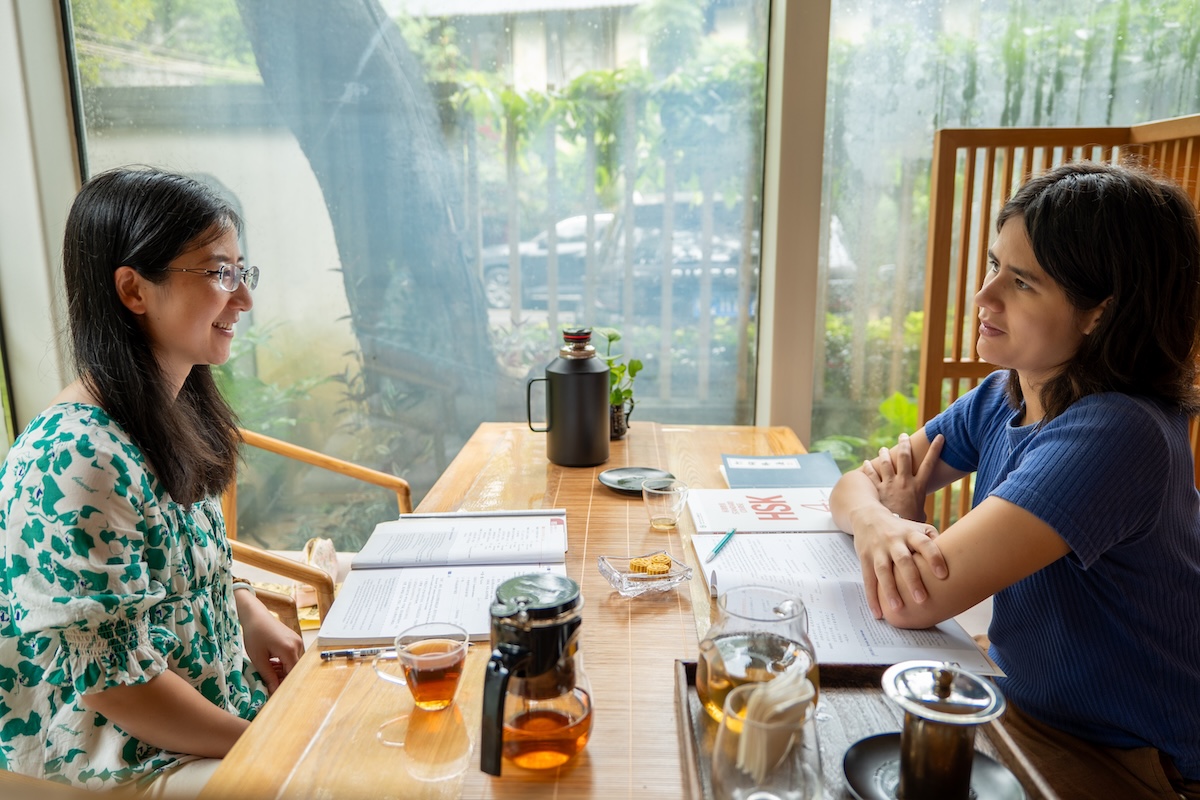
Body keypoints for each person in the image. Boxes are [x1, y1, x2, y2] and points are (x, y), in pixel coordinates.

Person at [830, 160, 1200, 800]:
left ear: (1100, 313)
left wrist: (905, 523)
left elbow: (913, 599)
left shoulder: (1116, 432)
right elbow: (852, 487)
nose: (984, 296)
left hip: (1134, 757)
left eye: (1022, 282)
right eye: (994, 265)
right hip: (1030, 701)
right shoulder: (1004, 394)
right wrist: (880, 520)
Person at [0, 167, 303, 796]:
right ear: (134, 290)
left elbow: (167, 572)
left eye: (242, 272)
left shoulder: (167, 416)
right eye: (220, 273)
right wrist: (271, 743)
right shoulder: (78, 458)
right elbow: (120, 687)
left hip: (196, 724)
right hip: (124, 762)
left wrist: (244, 610)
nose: (243, 299)